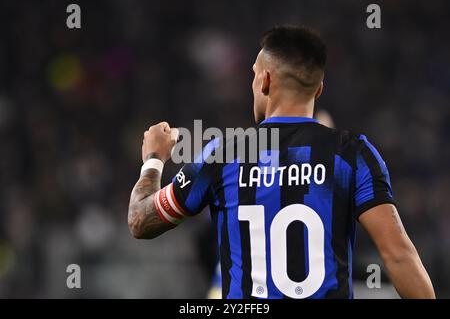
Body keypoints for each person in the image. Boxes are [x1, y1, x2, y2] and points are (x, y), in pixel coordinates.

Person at [128, 25, 435, 299]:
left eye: (252, 75)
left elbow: (140, 221)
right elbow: (397, 255)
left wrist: (154, 159)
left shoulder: (223, 154)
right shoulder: (353, 155)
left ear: (265, 80)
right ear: (318, 90)